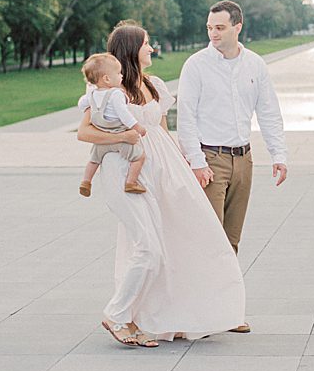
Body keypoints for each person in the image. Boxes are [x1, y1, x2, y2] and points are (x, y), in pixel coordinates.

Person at [77, 20, 245, 347]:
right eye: (146, 43)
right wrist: (126, 135)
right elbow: (84, 133)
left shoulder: (152, 84)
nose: (151, 48)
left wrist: (187, 163)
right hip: (125, 168)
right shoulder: (110, 91)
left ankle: (161, 315)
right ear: (131, 49)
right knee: (146, 245)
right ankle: (118, 314)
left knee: (175, 238)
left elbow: (163, 128)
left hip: (162, 167)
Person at [178, 0, 288, 334]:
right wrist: (197, 162)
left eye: (220, 27)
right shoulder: (196, 65)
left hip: (244, 160)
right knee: (208, 240)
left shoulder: (255, 65)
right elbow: (186, 117)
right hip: (210, 161)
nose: (213, 33)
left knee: (231, 240)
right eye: (210, 27)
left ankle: (226, 312)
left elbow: (268, 111)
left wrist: (279, 154)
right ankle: (194, 313)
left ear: (238, 27)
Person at [77, 52, 148, 197]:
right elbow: (124, 114)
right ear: (107, 79)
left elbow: (81, 104)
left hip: (102, 142)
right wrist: (137, 127)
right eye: (118, 73)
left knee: (93, 161)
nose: (121, 76)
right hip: (120, 137)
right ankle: (131, 182)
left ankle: (86, 181)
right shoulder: (116, 94)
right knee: (139, 157)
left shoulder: (91, 95)